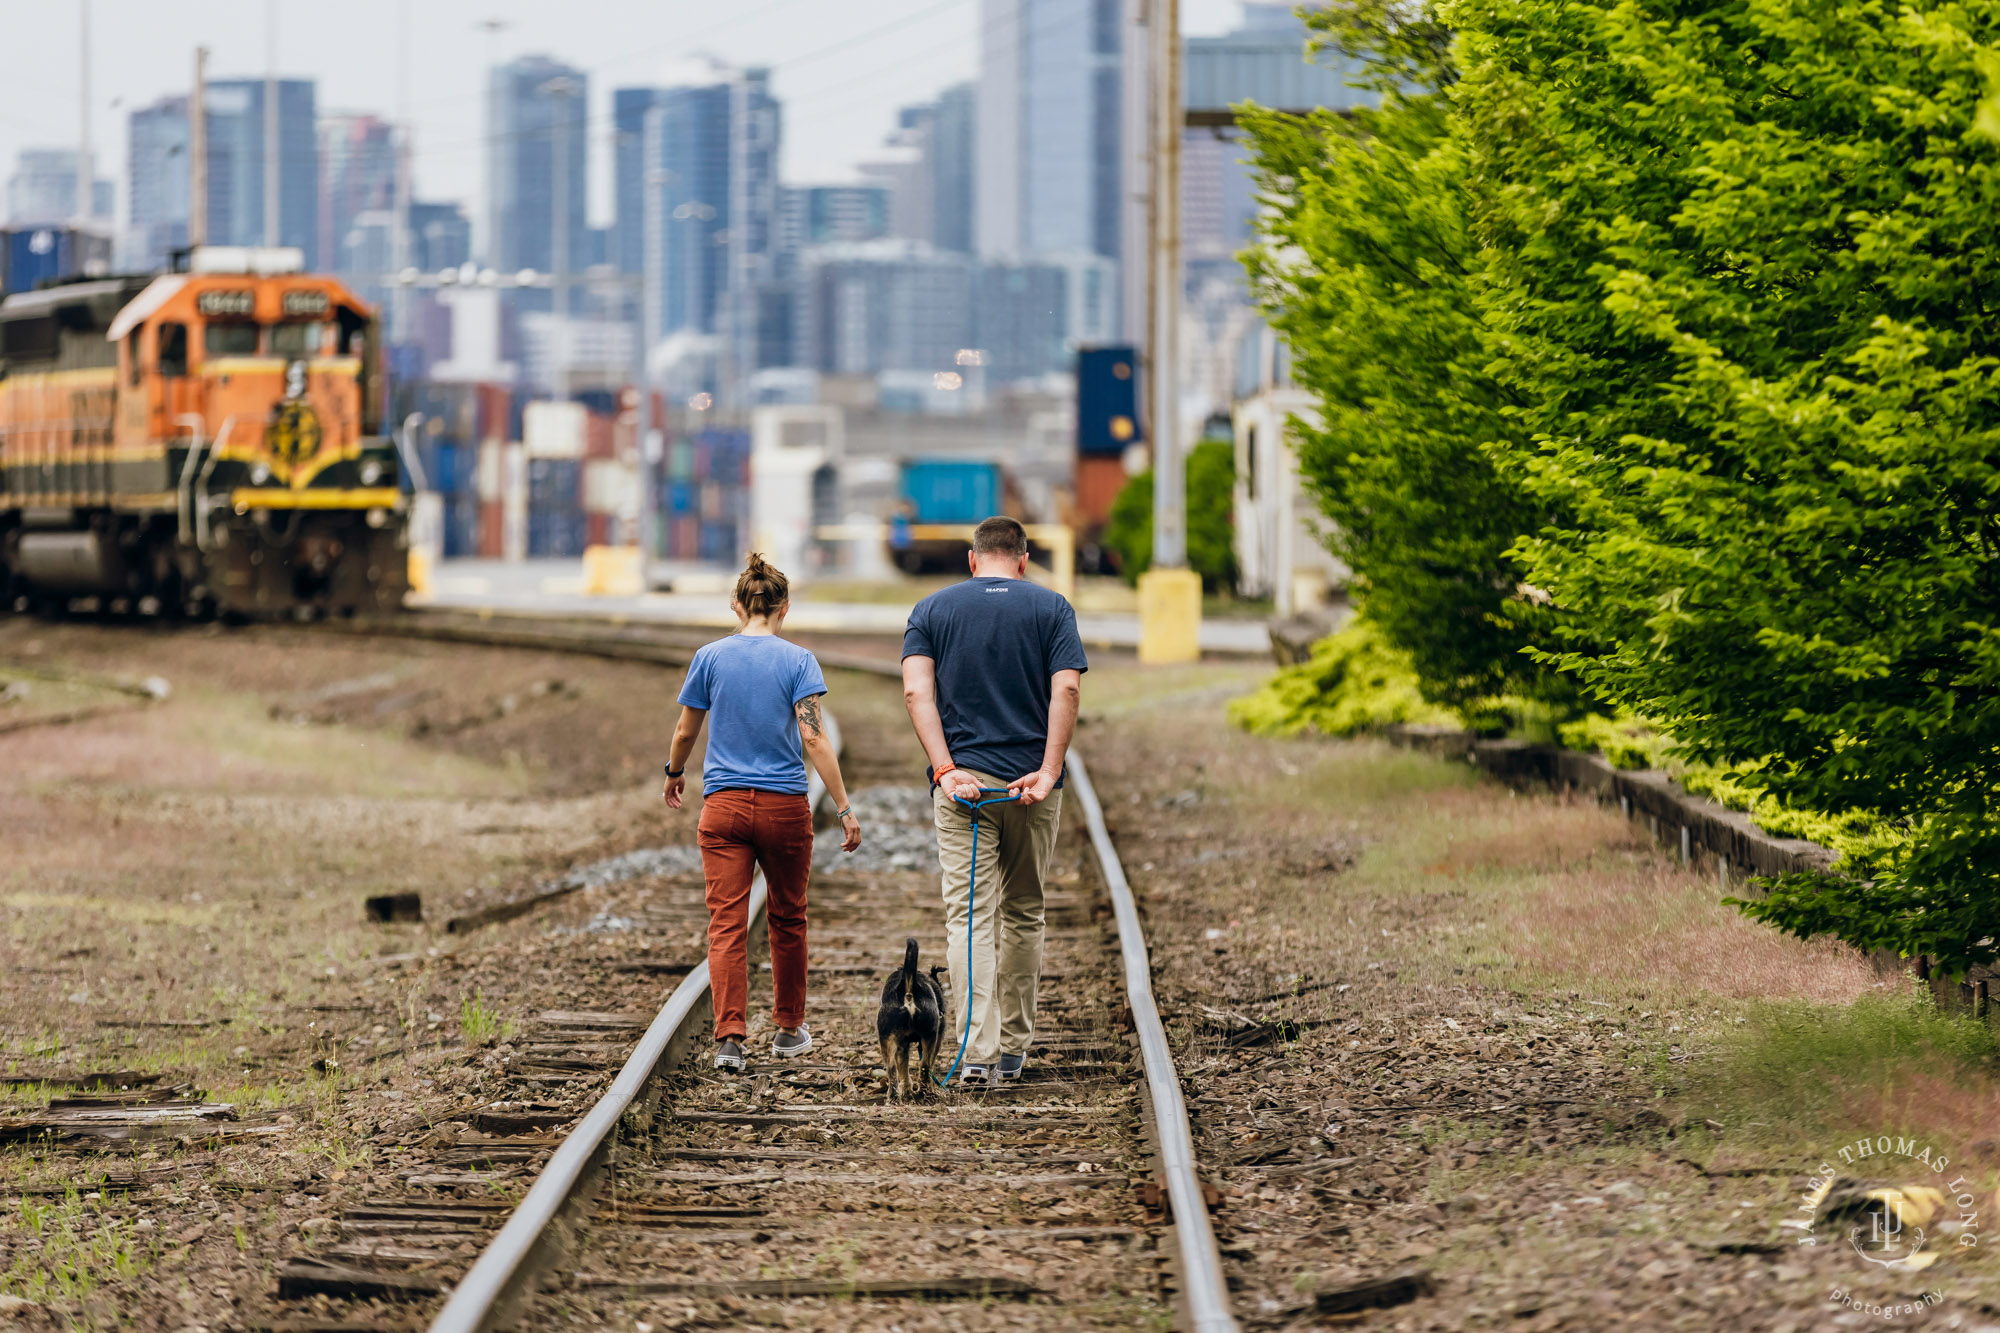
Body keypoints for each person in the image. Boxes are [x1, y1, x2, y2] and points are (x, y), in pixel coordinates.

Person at [902, 516, 1087, 1086]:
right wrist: (1050, 772)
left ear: (972, 559)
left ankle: (975, 1055)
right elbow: (1069, 689)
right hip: (1031, 786)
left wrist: (946, 768)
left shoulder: (931, 610)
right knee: (1025, 912)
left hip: (967, 792)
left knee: (970, 918)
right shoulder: (1053, 608)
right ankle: (1013, 1050)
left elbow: (916, 691)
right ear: (1025, 559)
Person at [665, 553, 863, 1071]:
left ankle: (730, 1039)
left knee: (726, 923)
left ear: (736, 605)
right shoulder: (799, 661)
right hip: (783, 810)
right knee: (788, 917)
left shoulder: (709, 657)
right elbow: (814, 738)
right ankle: (789, 1030)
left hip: (724, 809)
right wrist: (843, 807)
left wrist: (674, 771)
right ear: (785, 608)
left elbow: (686, 731)